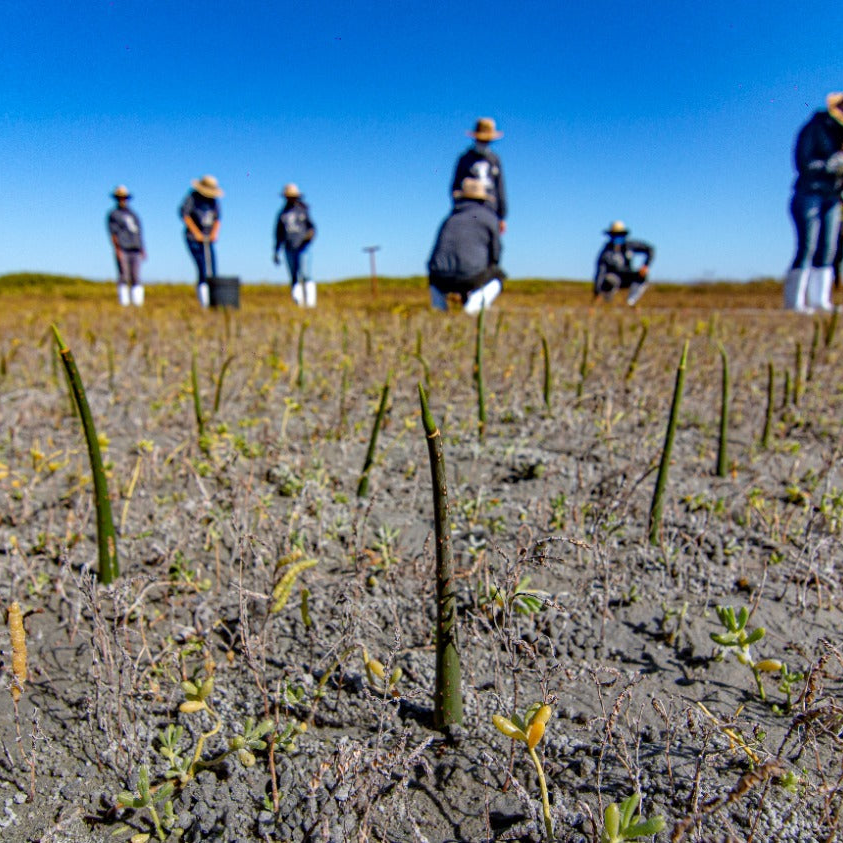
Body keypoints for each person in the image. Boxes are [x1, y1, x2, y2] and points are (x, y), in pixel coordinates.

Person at [785, 93, 843, 312]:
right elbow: (803, 162)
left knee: (829, 248)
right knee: (807, 245)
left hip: (832, 196)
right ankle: (795, 302)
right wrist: (831, 164)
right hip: (809, 193)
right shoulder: (816, 126)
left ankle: (821, 300)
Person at [427, 178, 506, 314]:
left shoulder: (450, 218)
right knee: (498, 276)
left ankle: (439, 308)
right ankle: (473, 308)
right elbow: (496, 255)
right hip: (470, 276)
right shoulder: (489, 217)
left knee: (438, 277)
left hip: (439, 277)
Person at [451, 117, 507, 233]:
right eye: (481, 140)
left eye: (487, 141)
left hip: (490, 210)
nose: (484, 143)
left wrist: (502, 217)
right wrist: (459, 207)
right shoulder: (464, 159)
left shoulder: (495, 160)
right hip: (467, 210)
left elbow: (500, 189)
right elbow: (455, 187)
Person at [180, 175, 224, 307]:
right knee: (203, 267)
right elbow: (185, 215)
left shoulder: (214, 201)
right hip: (194, 238)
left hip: (208, 239)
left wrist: (214, 233)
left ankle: (215, 300)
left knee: (213, 269)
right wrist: (196, 233)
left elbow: (218, 218)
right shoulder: (192, 198)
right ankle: (204, 303)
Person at [273, 183, 317, 308]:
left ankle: (310, 304)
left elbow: (312, 228)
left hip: (303, 247)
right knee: (294, 275)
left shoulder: (303, 210)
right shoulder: (282, 214)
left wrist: (309, 236)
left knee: (305, 274)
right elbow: (278, 234)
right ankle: (298, 303)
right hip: (288, 247)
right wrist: (276, 251)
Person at [593, 221, 655, 306]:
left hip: (627, 276)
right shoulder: (606, 252)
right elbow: (600, 272)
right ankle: (607, 302)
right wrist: (597, 291)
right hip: (613, 278)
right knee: (610, 280)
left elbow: (650, 249)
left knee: (643, 276)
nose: (617, 238)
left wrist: (645, 265)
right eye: (615, 235)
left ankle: (630, 303)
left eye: (620, 235)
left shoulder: (629, 245)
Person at [107, 185, 146, 306]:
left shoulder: (133, 214)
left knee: (136, 276)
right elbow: (113, 233)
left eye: (124, 198)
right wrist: (117, 248)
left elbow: (139, 232)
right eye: (120, 198)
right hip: (123, 247)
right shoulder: (113, 214)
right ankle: (124, 303)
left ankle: (137, 303)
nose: (122, 200)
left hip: (135, 248)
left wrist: (142, 248)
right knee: (124, 275)